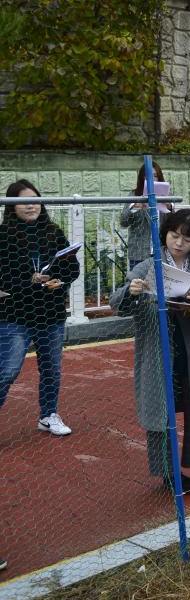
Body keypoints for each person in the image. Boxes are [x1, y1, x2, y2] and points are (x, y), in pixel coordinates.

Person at [109, 210, 190, 494]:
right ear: (165, 235)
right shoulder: (149, 266)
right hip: (158, 349)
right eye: (174, 236)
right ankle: (167, 472)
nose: (179, 243)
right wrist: (132, 292)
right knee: (160, 412)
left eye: (187, 238)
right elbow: (117, 303)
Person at [0, 180, 79, 436]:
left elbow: (71, 268)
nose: (31, 205)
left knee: (51, 370)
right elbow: (3, 278)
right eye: (23, 201)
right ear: (11, 206)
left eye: (34, 199)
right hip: (15, 314)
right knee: (7, 370)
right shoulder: (3, 236)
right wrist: (30, 281)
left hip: (50, 313)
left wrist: (60, 280)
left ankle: (48, 415)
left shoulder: (53, 232)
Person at [121, 162, 173, 270]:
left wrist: (170, 207)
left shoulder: (165, 195)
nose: (152, 179)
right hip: (139, 253)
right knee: (139, 284)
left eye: (155, 176)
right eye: (148, 176)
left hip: (162, 252)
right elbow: (123, 222)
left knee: (161, 285)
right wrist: (134, 208)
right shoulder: (134, 195)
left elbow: (174, 224)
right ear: (142, 177)